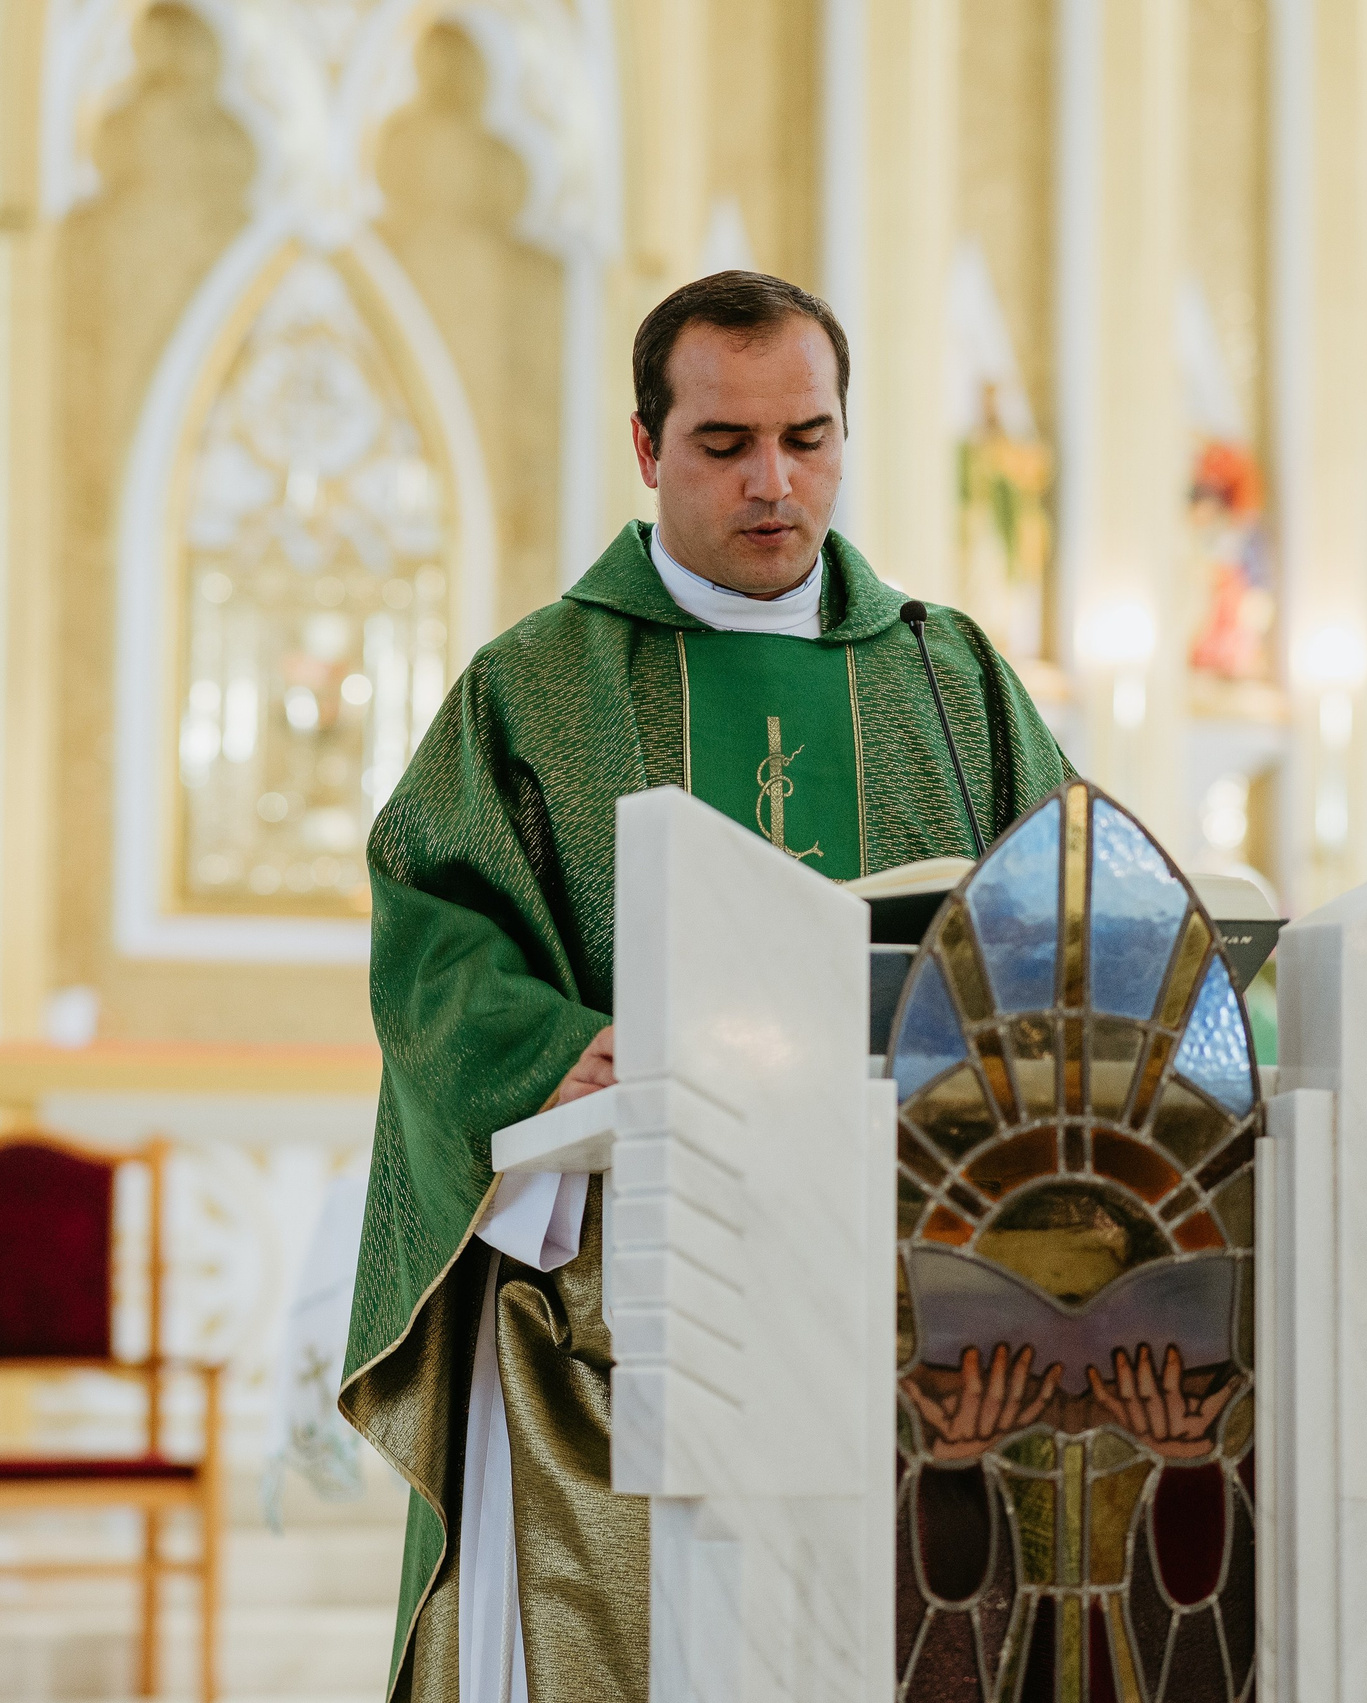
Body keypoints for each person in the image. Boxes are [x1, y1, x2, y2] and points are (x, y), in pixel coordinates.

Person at [338, 270, 1072, 1700]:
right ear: (646, 447)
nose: (774, 483)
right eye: (725, 444)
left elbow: (1062, 918)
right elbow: (432, 929)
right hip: (616, 1312)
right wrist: (546, 1050)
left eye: (807, 437)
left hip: (916, 1299)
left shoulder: (949, 678)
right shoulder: (537, 687)